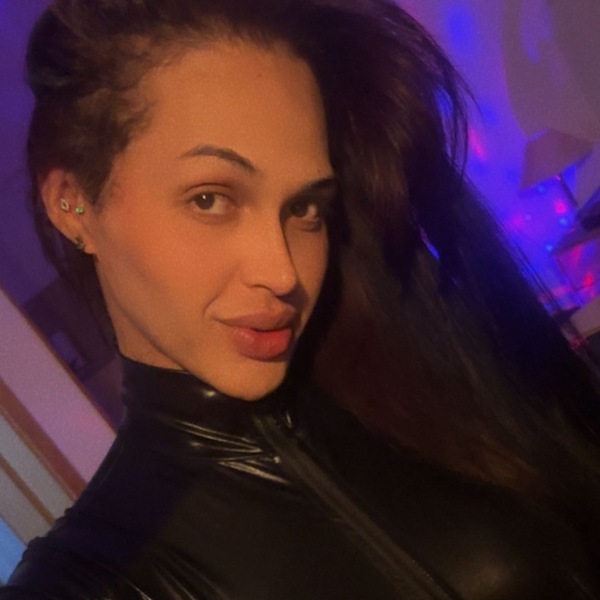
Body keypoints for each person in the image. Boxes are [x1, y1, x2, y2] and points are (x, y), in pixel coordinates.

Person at [2, 0, 600, 597]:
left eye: (305, 207)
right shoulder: (94, 580)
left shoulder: (415, 345)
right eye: (210, 199)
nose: (283, 271)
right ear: (72, 203)